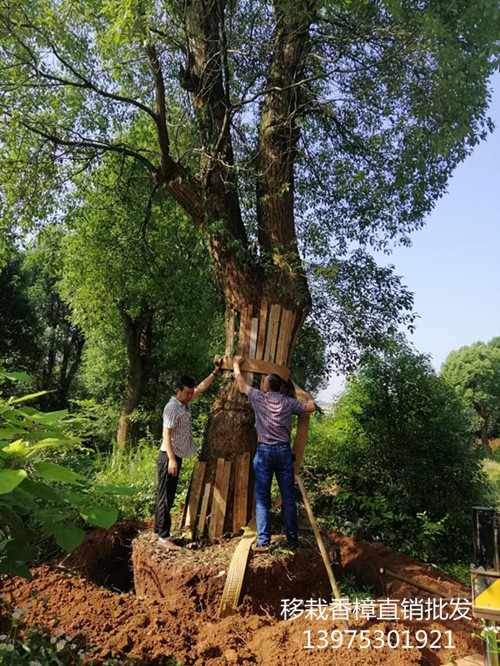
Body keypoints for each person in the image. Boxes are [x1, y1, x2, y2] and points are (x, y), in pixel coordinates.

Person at [233, 356, 316, 551]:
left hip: (264, 453)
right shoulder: (288, 403)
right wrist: (305, 393)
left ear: (267, 386)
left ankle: (263, 541)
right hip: (283, 453)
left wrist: (236, 364)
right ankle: (292, 540)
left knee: (262, 497)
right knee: (288, 496)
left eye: (263, 382)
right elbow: (310, 407)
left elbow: (240, 384)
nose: (260, 384)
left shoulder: (258, 397)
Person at [154, 362, 222, 548]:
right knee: (165, 497)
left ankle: (158, 530)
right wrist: (172, 459)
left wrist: (215, 373)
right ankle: (163, 537)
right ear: (178, 390)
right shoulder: (172, 408)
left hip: (176, 457)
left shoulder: (184, 403)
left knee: (168, 494)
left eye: (191, 393)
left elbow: (201, 387)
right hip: (168, 457)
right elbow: (165, 435)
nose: (191, 395)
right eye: (187, 393)